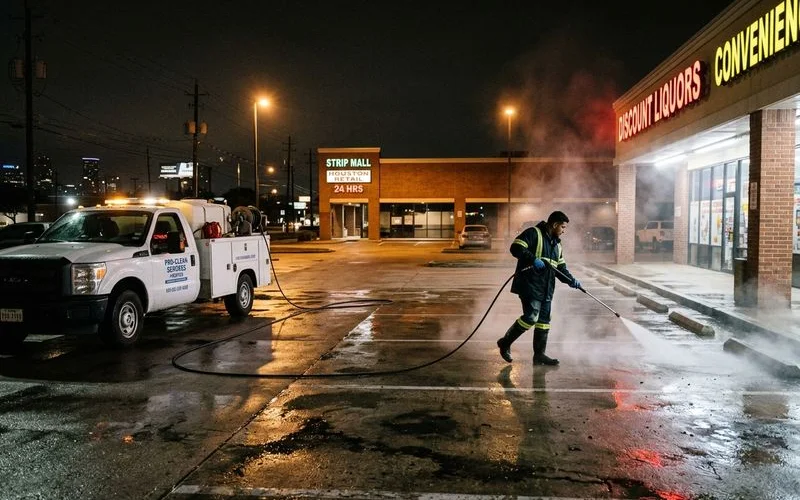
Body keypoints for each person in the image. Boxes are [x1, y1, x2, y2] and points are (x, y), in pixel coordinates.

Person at [496, 210, 582, 365]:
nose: (564, 231)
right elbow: (515, 247)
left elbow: (560, 268)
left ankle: (539, 355)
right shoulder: (533, 233)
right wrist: (533, 259)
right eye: (563, 227)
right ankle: (505, 342)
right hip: (529, 284)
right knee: (531, 317)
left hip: (546, 288)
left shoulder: (557, 245)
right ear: (555, 224)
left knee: (543, 321)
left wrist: (571, 280)